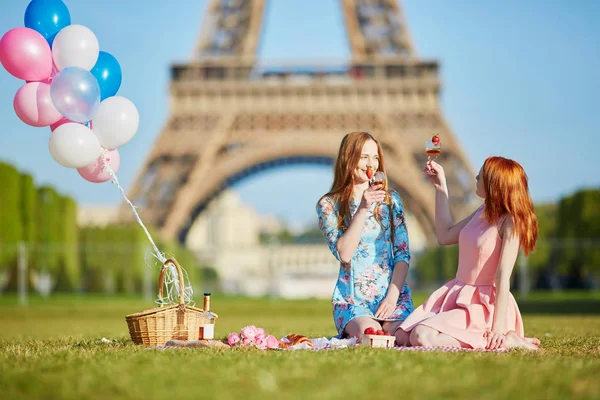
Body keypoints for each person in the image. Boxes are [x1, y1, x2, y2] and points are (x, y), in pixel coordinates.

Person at [398, 157, 541, 350]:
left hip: (483, 305)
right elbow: (444, 235)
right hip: (458, 293)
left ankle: (507, 340)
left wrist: (498, 329)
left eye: (480, 176)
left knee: (422, 336)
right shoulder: (483, 211)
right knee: (402, 335)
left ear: (494, 183)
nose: (475, 176)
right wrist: (441, 188)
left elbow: (502, 277)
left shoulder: (510, 222)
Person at [316, 132, 413, 343]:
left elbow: (403, 254)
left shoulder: (392, 201)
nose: (371, 163)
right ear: (348, 158)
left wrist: (392, 298)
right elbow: (345, 253)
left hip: (391, 295)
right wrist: (363, 208)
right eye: (364, 157)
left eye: (375, 157)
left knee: (401, 336)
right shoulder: (329, 205)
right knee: (372, 337)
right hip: (353, 300)